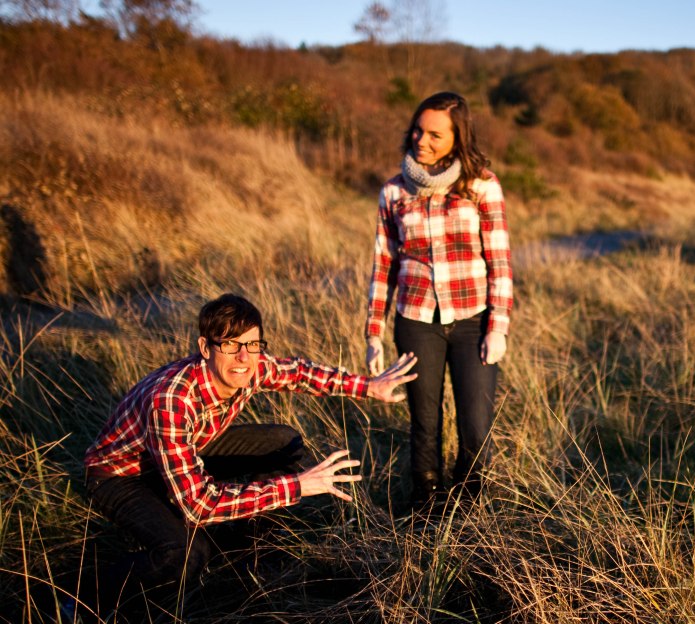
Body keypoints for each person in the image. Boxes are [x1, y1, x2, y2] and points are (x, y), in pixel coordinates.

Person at [79, 293, 417, 616]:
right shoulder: (171, 401)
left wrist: (369, 387)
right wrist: (296, 486)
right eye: (230, 344)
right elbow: (198, 505)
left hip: (186, 449)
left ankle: (248, 552)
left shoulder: (251, 366)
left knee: (283, 443)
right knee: (186, 555)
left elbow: (300, 373)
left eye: (253, 345)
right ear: (205, 348)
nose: (244, 357)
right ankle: (81, 597)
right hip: (121, 476)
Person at [364, 91, 513, 508]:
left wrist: (498, 327)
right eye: (418, 130)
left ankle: (470, 503)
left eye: (435, 135)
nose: (422, 140)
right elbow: (383, 265)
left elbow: (499, 261)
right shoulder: (394, 192)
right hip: (416, 320)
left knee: (476, 425)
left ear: (457, 138)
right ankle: (427, 505)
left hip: (473, 321)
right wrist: (373, 334)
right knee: (424, 423)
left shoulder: (482, 185)